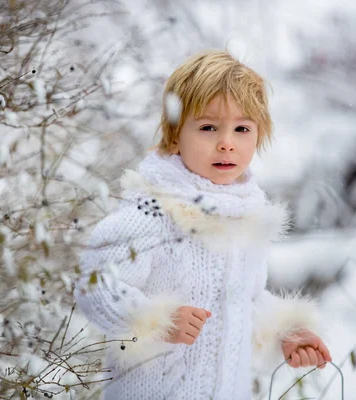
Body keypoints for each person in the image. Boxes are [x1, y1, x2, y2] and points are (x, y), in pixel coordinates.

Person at [73, 49, 332, 399]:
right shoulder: (151, 213)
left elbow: (245, 302)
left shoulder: (245, 219)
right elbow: (96, 286)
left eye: (242, 128)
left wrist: (285, 332)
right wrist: (157, 318)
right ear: (175, 134)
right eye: (209, 127)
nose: (227, 143)